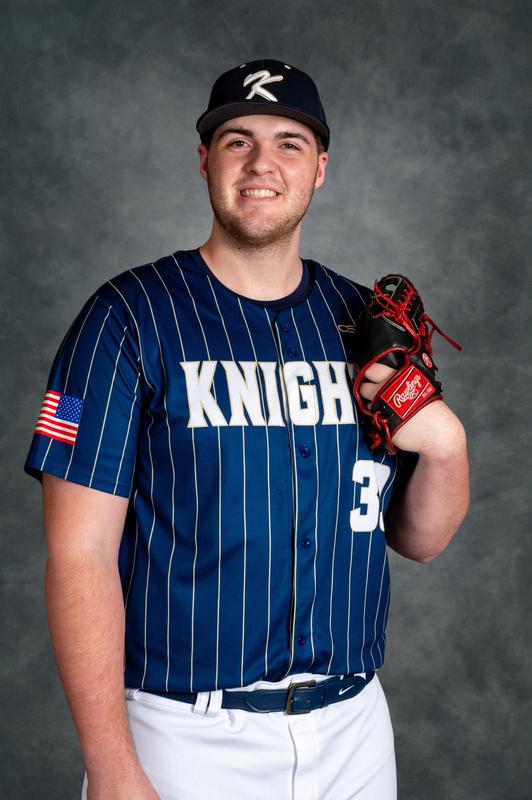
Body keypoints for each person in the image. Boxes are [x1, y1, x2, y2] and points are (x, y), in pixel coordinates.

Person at [24, 59, 469, 800]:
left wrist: (449, 446)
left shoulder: (363, 322)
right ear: (205, 160)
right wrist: (111, 767)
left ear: (320, 168)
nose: (263, 163)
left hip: (355, 726)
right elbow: (80, 556)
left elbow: (420, 540)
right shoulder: (126, 319)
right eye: (239, 140)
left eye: (290, 143)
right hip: (184, 733)